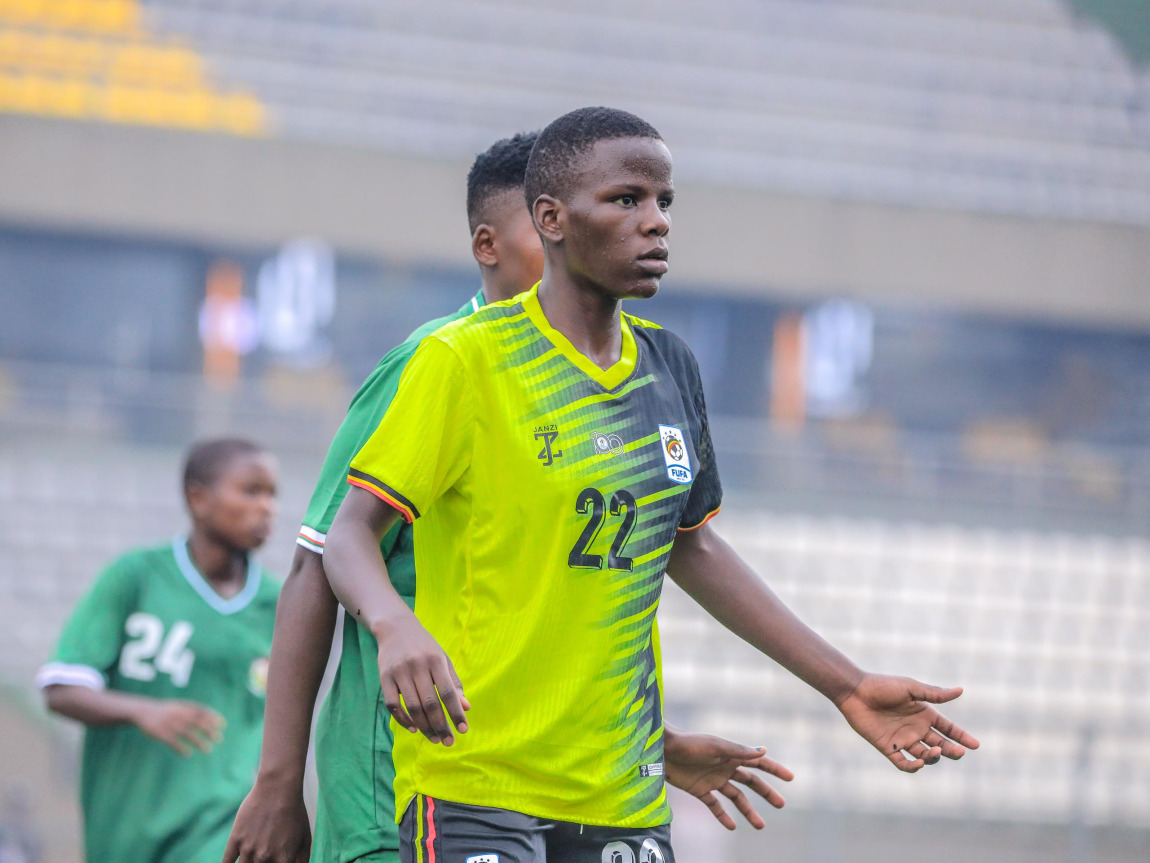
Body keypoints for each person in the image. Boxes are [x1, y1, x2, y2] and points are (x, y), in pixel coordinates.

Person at [323, 107, 981, 863]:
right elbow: (348, 535)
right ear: (552, 219)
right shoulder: (462, 360)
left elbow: (692, 548)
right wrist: (393, 624)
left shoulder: (670, 367)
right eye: (626, 199)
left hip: (621, 791)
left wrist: (847, 685)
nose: (656, 222)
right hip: (476, 782)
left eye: (664, 201)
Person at [224, 132, 792, 863]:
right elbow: (317, 560)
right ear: (495, 242)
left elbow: (550, 607)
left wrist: (655, 739)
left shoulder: (621, 370)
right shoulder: (438, 362)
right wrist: (278, 782)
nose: (640, 225)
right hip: (400, 773)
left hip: (552, 780)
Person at [37, 438, 280, 863]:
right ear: (197, 498)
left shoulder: (279, 604)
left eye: (271, 495)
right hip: (127, 826)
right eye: (250, 491)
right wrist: (142, 711)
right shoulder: (136, 577)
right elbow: (61, 689)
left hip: (222, 826)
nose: (266, 507)